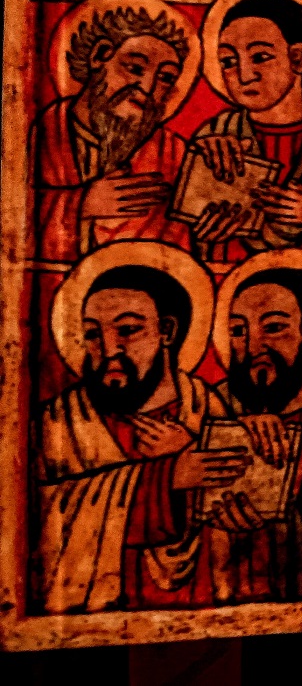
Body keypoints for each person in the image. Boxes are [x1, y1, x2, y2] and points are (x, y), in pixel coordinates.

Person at [37, 262, 249, 612]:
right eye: (92, 334)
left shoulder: (204, 407)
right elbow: (42, 515)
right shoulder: (61, 418)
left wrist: (193, 453)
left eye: (128, 330)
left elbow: (244, 511)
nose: (109, 349)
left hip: (204, 606)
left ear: (167, 331)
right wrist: (167, 477)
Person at [209, 265, 302, 602]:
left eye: (273, 328)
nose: (253, 346)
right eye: (238, 331)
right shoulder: (215, 406)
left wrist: (275, 508)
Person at [184, 0, 302, 264]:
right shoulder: (215, 135)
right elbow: (182, 226)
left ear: (298, 58)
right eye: (228, 61)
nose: (244, 75)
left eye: (260, 57)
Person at [30, 0, 192, 261]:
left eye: (165, 78)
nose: (147, 87)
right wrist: (83, 204)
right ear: (99, 56)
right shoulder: (43, 133)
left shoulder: (172, 154)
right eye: (135, 68)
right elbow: (13, 221)